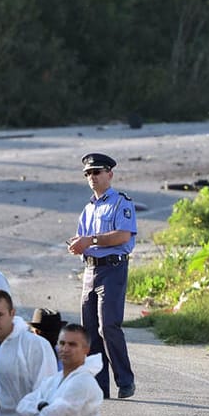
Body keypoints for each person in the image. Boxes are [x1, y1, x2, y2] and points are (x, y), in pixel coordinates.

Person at [68, 152, 139, 399]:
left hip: (113, 268)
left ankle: (125, 380)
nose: (92, 177)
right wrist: (78, 245)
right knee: (89, 330)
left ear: (110, 173)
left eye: (97, 172)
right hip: (90, 269)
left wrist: (92, 240)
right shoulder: (88, 209)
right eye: (88, 173)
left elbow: (123, 236)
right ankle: (99, 386)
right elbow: (83, 239)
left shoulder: (121, 202)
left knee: (108, 324)